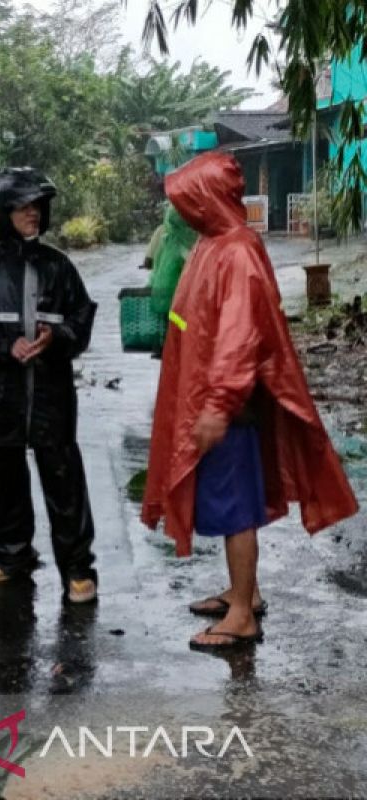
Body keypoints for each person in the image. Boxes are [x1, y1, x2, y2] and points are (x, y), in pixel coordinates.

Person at [141, 151, 359, 651]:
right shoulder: (215, 243)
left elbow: (240, 339)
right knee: (228, 502)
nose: (182, 210)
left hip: (229, 407)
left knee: (234, 507)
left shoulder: (235, 251)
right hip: (213, 398)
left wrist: (218, 405)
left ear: (206, 198)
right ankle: (246, 592)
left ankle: (241, 614)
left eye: (187, 199)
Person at [0, 167, 100, 604]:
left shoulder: (58, 267)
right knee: (3, 479)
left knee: (64, 481)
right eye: (23, 207)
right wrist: (0, 347)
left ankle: (78, 569)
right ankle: (10, 557)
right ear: (0, 213)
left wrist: (59, 338)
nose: (33, 214)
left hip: (49, 397)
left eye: (38, 207)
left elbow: (81, 320)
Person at [147, 203, 198, 356]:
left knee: (168, 321)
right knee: (180, 324)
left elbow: (150, 262)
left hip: (161, 294)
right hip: (182, 298)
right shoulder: (193, 240)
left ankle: (165, 345)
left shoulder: (163, 235)